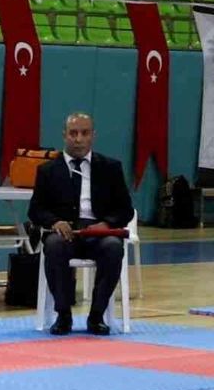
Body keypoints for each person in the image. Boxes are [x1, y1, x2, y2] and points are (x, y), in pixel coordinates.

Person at [28, 112, 135, 336]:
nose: (78, 139)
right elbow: (35, 210)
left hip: (99, 232)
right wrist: (55, 221)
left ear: (93, 136)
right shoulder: (47, 170)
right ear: (64, 136)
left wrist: (106, 225)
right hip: (65, 232)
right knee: (54, 246)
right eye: (73, 133)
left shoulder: (110, 167)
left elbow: (125, 209)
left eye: (84, 133)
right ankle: (63, 314)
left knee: (114, 248)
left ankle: (96, 315)